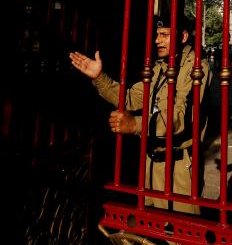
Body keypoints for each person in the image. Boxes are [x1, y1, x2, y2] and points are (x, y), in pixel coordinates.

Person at [69, 15, 212, 214]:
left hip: (178, 167)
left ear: (183, 36)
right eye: (156, 35)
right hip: (150, 163)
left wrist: (135, 125)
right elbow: (130, 99)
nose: (157, 40)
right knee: (151, 228)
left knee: (178, 232)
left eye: (164, 35)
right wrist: (99, 78)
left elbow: (181, 117)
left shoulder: (197, 68)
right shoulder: (160, 67)